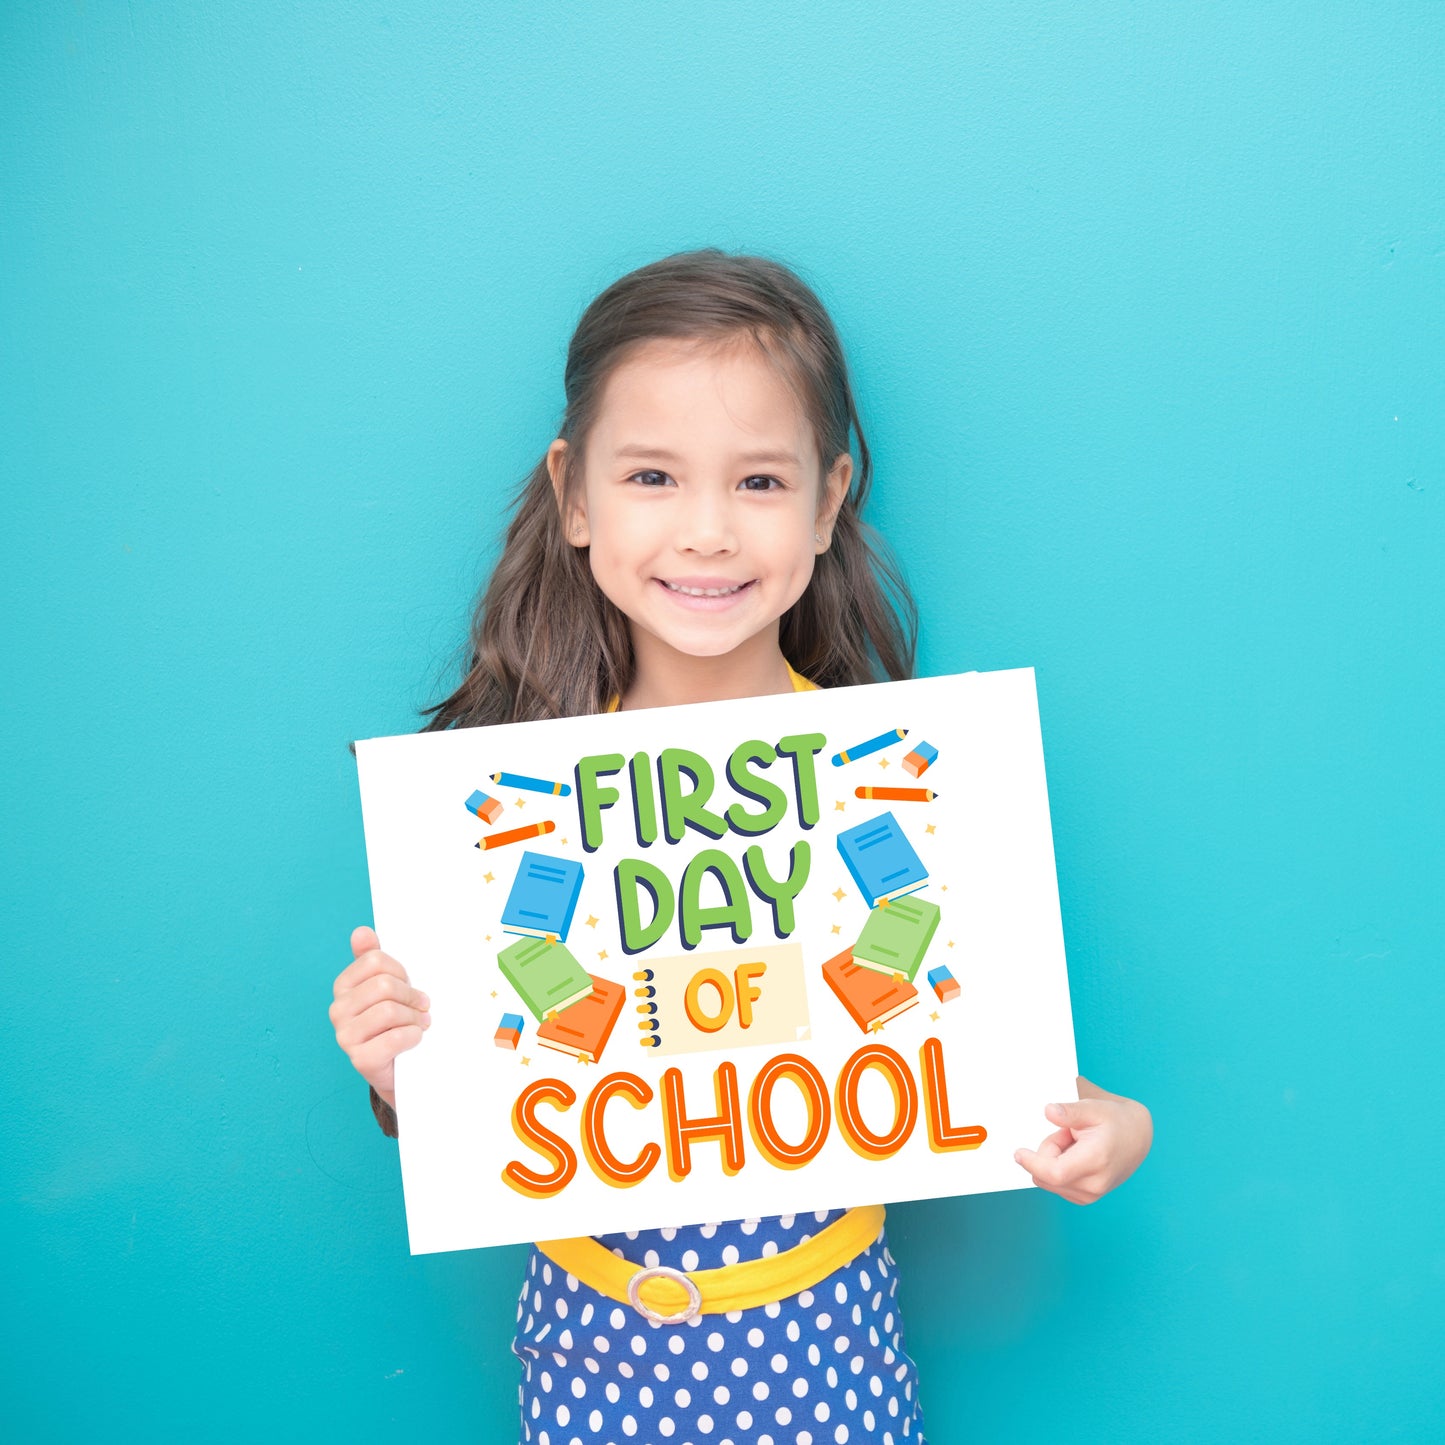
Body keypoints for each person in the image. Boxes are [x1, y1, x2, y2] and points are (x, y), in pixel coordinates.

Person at [329, 248, 1154, 1443]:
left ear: (828, 501)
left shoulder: (881, 779)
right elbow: (490, 1084)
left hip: (827, 1344)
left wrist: (1102, 1123)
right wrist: (395, 1063)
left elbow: (955, 1033)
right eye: (653, 475)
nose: (706, 531)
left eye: (758, 481)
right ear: (575, 496)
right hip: (588, 1347)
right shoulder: (517, 809)